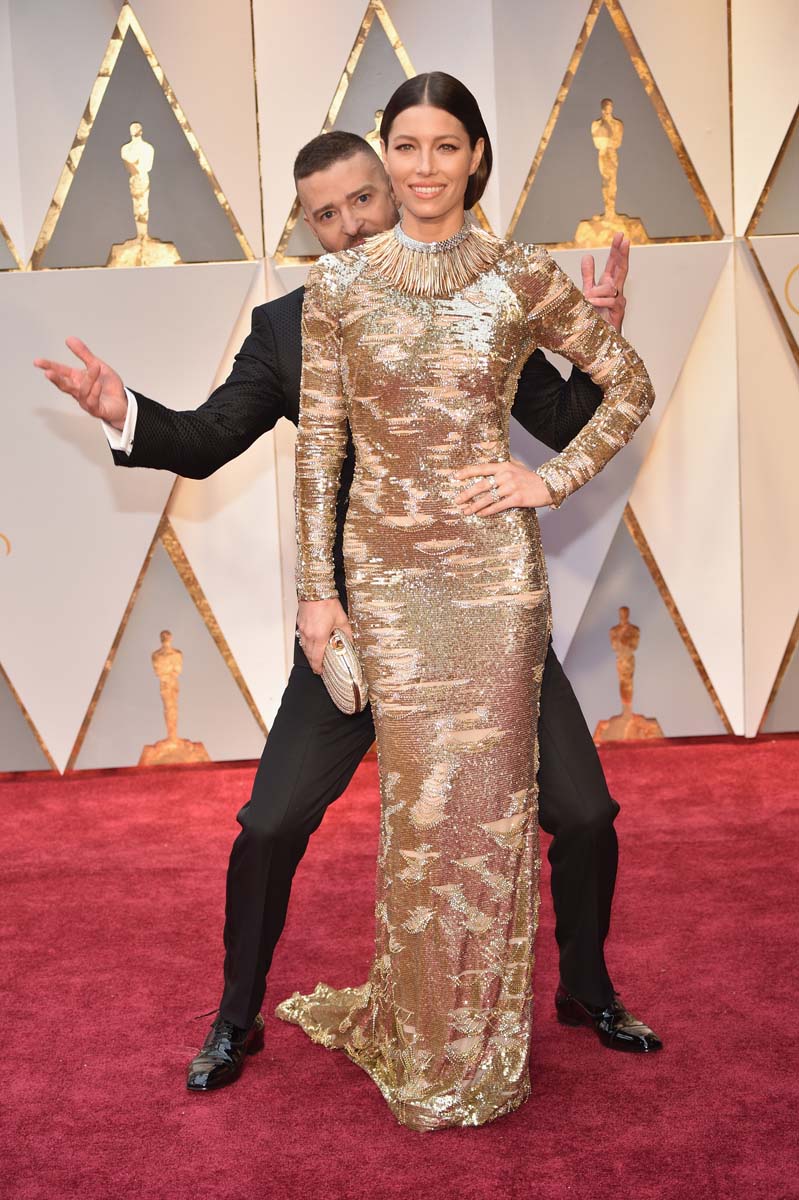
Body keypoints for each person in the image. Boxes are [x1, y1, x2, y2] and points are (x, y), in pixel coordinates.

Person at [33, 128, 660, 1102]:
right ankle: (235, 1016)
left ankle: (585, 988)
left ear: (397, 186)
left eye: (362, 198)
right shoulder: (295, 325)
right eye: (324, 214)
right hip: (356, 632)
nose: (350, 223)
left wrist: (590, 350)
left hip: (479, 626)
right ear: (309, 228)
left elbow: (557, 425)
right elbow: (206, 438)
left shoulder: (481, 291)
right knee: (270, 822)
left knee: (586, 813)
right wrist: (125, 413)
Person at [278, 73, 655, 1131]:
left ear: (476, 157)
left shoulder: (519, 274)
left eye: (446, 146)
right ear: (385, 154)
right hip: (388, 585)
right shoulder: (338, 286)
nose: (424, 166)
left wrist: (548, 480)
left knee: (489, 823)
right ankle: (419, 1035)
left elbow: (626, 383)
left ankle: (483, 1055)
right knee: (419, 820)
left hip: (492, 584)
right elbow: (321, 446)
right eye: (406, 145)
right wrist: (318, 592)